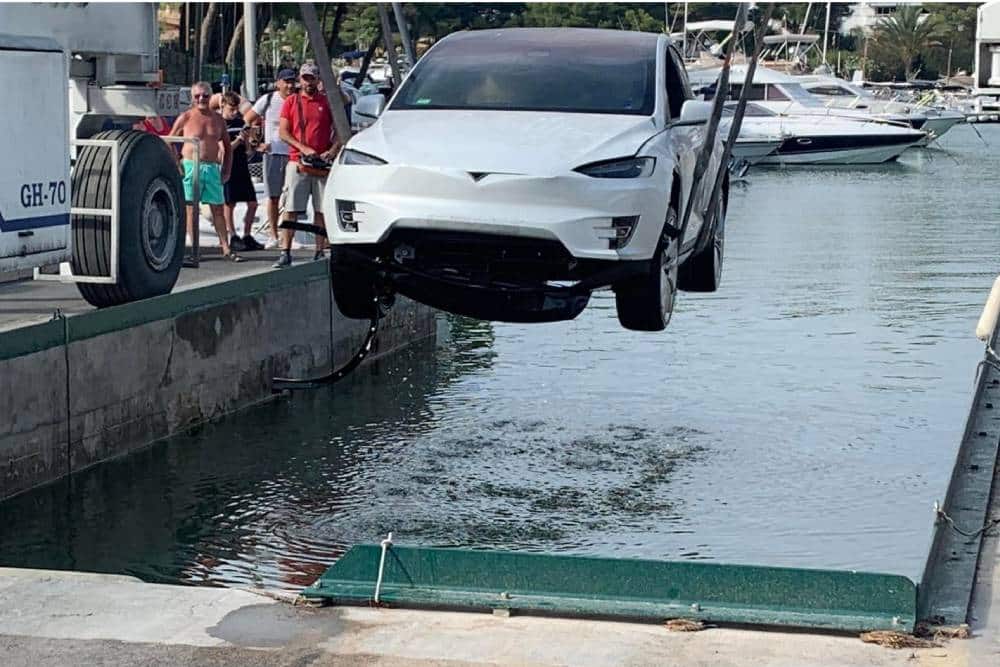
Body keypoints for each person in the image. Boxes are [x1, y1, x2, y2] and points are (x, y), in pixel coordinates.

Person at [273, 63, 345, 269]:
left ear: (317, 79)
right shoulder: (291, 102)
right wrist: (303, 148)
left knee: (321, 209)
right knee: (291, 208)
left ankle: (319, 250)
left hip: (322, 164)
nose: (307, 82)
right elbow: (284, 133)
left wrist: (331, 151)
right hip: (298, 162)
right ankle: (285, 251)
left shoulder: (327, 102)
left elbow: (341, 129)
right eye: (304, 78)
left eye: (311, 78)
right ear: (300, 79)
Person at [169, 81, 243, 266]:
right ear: (193, 98)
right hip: (190, 166)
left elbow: (227, 145)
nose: (201, 98)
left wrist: (227, 169)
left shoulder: (218, 120)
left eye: (205, 95)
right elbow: (169, 139)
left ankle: (225, 247)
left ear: (211, 97)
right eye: (197, 96)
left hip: (211, 168)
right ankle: (195, 249)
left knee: (218, 208)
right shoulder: (185, 117)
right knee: (191, 210)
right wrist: (177, 164)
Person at [244, 69, 297, 249]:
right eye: (286, 81)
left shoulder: (297, 100)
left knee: (291, 199)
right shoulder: (268, 100)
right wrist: (255, 143)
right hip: (273, 153)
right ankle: (273, 235)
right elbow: (248, 119)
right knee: (273, 197)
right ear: (278, 83)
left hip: (294, 155)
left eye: (292, 81)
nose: (290, 85)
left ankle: (287, 236)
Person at [220, 92, 262, 252]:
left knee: (252, 203)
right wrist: (238, 140)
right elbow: (224, 149)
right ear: (223, 105)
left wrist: (250, 145)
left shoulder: (240, 122)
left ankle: (247, 234)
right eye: (231, 108)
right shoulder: (220, 124)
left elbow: (247, 146)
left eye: (236, 108)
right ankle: (232, 235)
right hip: (228, 165)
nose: (234, 112)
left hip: (242, 164)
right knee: (229, 203)